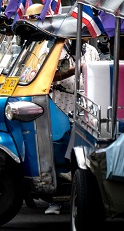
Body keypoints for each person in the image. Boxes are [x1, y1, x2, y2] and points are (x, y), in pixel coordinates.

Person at [45, 38, 100, 215]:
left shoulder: (91, 50)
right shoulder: (55, 49)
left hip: (85, 108)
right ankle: (54, 202)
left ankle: (78, 197)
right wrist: (73, 70)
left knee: (79, 156)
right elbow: (49, 75)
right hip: (61, 106)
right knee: (58, 150)